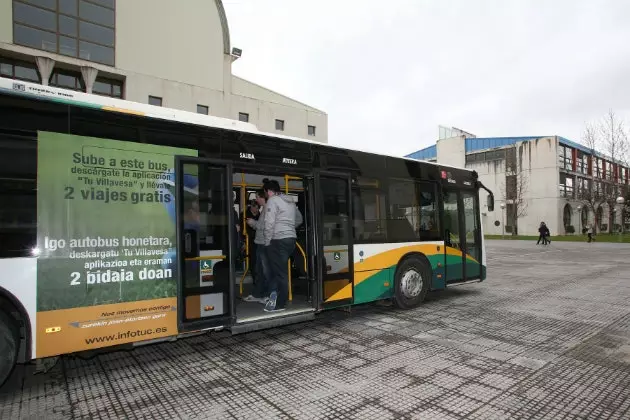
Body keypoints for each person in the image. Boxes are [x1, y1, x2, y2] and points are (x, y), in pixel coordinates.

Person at [262, 179, 303, 312]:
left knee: (279, 273)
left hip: (278, 239)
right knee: (280, 271)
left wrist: (267, 241)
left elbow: (269, 223)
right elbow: (299, 219)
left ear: (269, 191)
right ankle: (275, 296)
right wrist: (289, 228)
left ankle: (279, 304)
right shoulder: (290, 200)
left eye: (266, 193)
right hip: (290, 239)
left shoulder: (273, 200)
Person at [242, 189, 271, 304]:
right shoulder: (264, 209)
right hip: (260, 242)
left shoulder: (267, 209)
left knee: (265, 271)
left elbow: (263, 226)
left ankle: (267, 295)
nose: (257, 200)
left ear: (261, 197)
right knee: (259, 271)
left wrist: (252, 223)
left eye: (257, 197)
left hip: (264, 243)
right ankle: (258, 294)